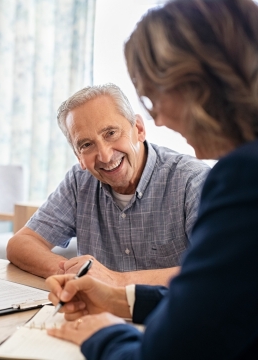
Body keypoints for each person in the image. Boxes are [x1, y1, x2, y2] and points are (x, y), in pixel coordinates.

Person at [46, 0, 258, 358]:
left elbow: (166, 352)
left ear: (193, 83)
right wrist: (121, 300)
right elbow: (216, 300)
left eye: (152, 95)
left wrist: (104, 335)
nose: (157, 118)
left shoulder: (241, 178)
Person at [7, 83, 209, 286]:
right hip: (98, 315)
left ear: (138, 129)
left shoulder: (192, 180)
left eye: (111, 133)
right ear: (79, 156)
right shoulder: (80, 181)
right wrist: (76, 274)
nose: (104, 155)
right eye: (86, 145)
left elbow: (217, 269)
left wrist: (115, 280)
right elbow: (20, 244)